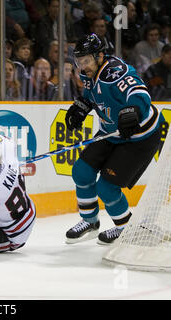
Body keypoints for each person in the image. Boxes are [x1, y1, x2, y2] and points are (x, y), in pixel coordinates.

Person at [64, 34, 164, 245]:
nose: (82, 66)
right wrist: (82, 106)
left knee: (107, 188)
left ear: (100, 56)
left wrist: (132, 110)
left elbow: (140, 93)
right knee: (81, 171)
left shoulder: (115, 72)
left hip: (140, 136)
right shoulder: (87, 73)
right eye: (79, 61)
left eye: (86, 60)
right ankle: (90, 221)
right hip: (112, 132)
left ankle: (125, 228)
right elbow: (93, 94)